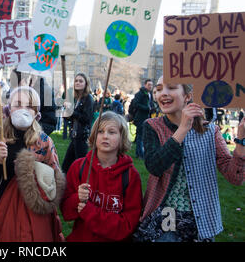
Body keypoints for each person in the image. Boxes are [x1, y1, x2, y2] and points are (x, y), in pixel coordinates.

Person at [135, 76, 245, 242]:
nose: (162, 93)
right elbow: (155, 166)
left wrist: (241, 142)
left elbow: (236, 178)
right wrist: (182, 129)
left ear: (187, 96)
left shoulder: (211, 131)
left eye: (171, 87)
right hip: (166, 218)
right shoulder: (152, 126)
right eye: (158, 89)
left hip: (201, 220)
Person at [0, 86, 65, 242]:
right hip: (1, 210)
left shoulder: (44, 142)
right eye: (17, 104)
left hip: (34, 211)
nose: (23, 109)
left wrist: (33, 172)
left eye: (29, 106)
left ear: (37, 114)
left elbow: (54, 181)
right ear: (8, 110)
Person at [61, 111, 142, 241]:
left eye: (112, 132)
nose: (105, 136)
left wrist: (90, 212)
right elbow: (65, 212)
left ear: (122, 137)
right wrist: (77, 198)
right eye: (100, 131)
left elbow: (127, 225)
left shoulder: (131, 176)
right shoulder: (78, 167)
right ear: (94, 136)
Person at [61, 73, 94, 174]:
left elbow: (86, 118)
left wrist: (71, 111)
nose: (78, 83)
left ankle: (81, 185)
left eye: (81, 81)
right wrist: (66, 113)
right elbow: (73, 117)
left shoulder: (88, 98)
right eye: (76, 81)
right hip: (74, 135)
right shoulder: (76, 98)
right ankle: (66, 185)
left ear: (86, 83)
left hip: (82, 136)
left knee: (81, 166)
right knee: (66, 166)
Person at [9, 69, 57, 136]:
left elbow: (50, 122)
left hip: (34, 139)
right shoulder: (13, 91)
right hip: (12, 137)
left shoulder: (45, 91)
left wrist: (33, 133)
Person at [132, 79, 153, 159]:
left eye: (151, 85)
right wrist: (147, 108)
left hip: (147, 117)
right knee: (140, 136)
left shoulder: (150, 94)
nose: (150, 86)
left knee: (142, 136)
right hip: (140, 117)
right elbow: (136, 104)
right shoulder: (140, 94)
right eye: (149, 85)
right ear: (145, 85)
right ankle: (140, 154)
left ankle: (139, 153)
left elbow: (150, 104)